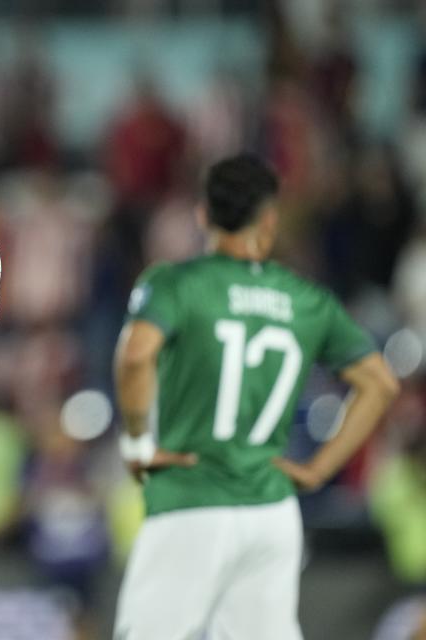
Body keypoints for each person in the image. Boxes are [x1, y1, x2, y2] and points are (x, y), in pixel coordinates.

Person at [112, 153, 399, 640]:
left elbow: (137, 356)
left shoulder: (176, 283)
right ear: (269, 218)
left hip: (192, 497)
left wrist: (138, 442)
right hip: (271, 510)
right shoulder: (307, 299)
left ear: (203, 214)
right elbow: (380, 384)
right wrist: (317, 469)